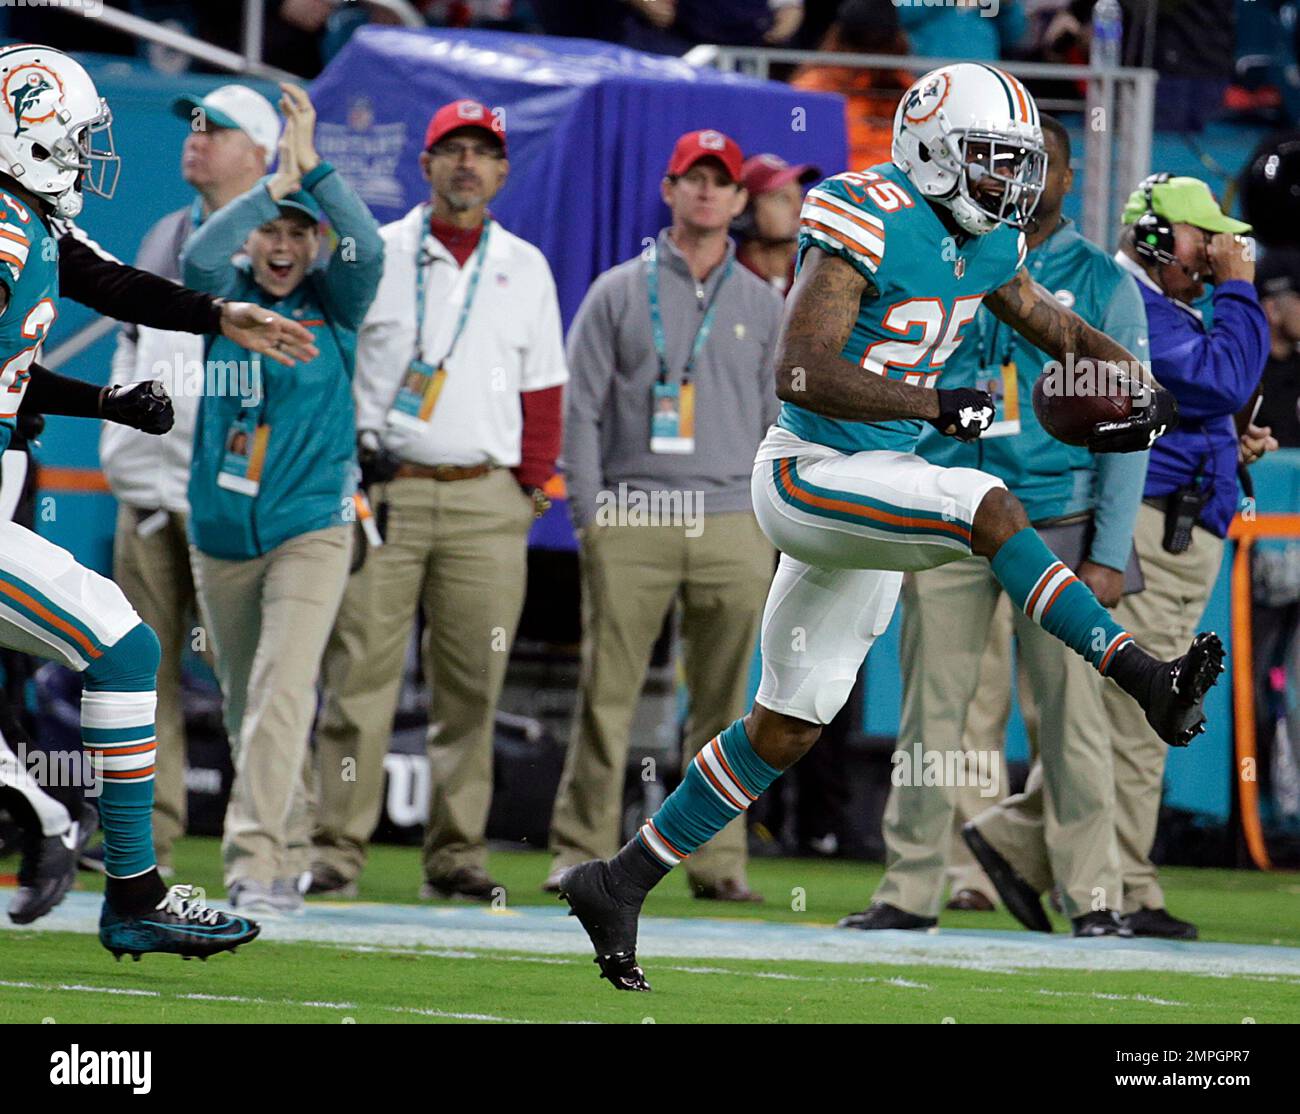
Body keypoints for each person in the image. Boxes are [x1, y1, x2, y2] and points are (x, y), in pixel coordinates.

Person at [559, 62, 1223, 993]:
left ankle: (618, 879)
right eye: (993, 159)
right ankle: (1144, 675)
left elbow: (1055, 330)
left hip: (881, 475)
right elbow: (798, 370)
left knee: (786, 725)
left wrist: (1140, 384)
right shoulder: (864, 211)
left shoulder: (988, 242)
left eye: (1017, 163)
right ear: (932, 149)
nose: (1010, 182)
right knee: (987, 507)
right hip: (808, 470)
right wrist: (935, 401)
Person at [0, 43, 270, 957]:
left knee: (124, 641)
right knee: (122, 640)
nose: (84, 155)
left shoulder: (26, 222)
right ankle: (131, 889)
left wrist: (217, 316)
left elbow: (109, 283)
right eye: (73, 137)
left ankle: (129, 885)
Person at [857, 116, 1151, 937]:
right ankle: (910, 889)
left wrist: (1108, 551)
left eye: (1041, 165)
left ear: (1067, 176)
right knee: (931, 712)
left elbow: (1127, 430)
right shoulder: (949, 253)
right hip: (952, 509)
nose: (1023, 179)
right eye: (1007, 163)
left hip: (1057, 521)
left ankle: (1095, 897)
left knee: (1072, 720)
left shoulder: (1102, 283)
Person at [965, 175, 1272, 941]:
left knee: (1123, 717)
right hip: (1148, 531)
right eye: (1205, 237)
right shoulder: (1133, 306)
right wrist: (1241, 289)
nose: (1216, 252)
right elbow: (1223, 375)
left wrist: (1226, 447)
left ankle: (1014, 842)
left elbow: (1203, 401)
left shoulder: (1163, 308)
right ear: (1161, 236)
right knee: (1142, 717)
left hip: (1177, 522)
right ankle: (1127, 888)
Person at [309, 99, 567, 902]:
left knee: (474, 688)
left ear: (501, 172)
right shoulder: (372, 254)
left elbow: (545, 390)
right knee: (357, 681)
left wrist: (529, 490)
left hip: (485, 500)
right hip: (384, 494)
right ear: (423, 167)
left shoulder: (525, 264)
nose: (466, 164)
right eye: (450, 150)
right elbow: (335, 372)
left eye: (481, 152)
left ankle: (457, 855)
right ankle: (334, 850)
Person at [548, 130, 785, 902]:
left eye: (722, 182)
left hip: (729, 521)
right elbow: (577, 410)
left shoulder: (763, 303)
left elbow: (779, 419)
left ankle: (717, 863)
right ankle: (578, 850)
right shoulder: (618, 290)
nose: (708, 193)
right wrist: (590, 515)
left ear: (741, 200)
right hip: (634, 513)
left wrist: (769, 525)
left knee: (725, 710)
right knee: (605, 694)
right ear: (670, 189)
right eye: (694, 179)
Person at [180, 82, 384, 916]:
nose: (284, 242)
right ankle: (291, 844)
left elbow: (366, 243)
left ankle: (254, 864)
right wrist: (268, 189)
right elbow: (198, 257)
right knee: (245, 703)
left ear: (314, 244)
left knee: (279, 689)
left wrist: (314, 171)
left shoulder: (336, 309)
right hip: (222, 529)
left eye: (302, 231)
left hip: (313, 525)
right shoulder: (218, 306)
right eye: (273, 227)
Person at [98, 84, 279, 878]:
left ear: (262, 154)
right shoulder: (165, 230)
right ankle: (145, 845)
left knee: (256, 682)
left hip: (235, 499)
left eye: (218, 129)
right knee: (141, 671)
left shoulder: (282, 240)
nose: (196, 139)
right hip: (149, 493)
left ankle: (268, 847)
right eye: (194, 126)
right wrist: (121, 456)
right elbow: (132, 350)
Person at [790, 0, 913, 174]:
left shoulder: (809, 87)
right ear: (897, 41)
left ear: (837, 37)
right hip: (883, 188)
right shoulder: (912, 93)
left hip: (839, 187)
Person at [735, 153, 820, 295]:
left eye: (799, 196)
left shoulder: (814, 286)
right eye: (783, 199)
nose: (800, 210)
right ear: (745, 212)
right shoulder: (721, 284)